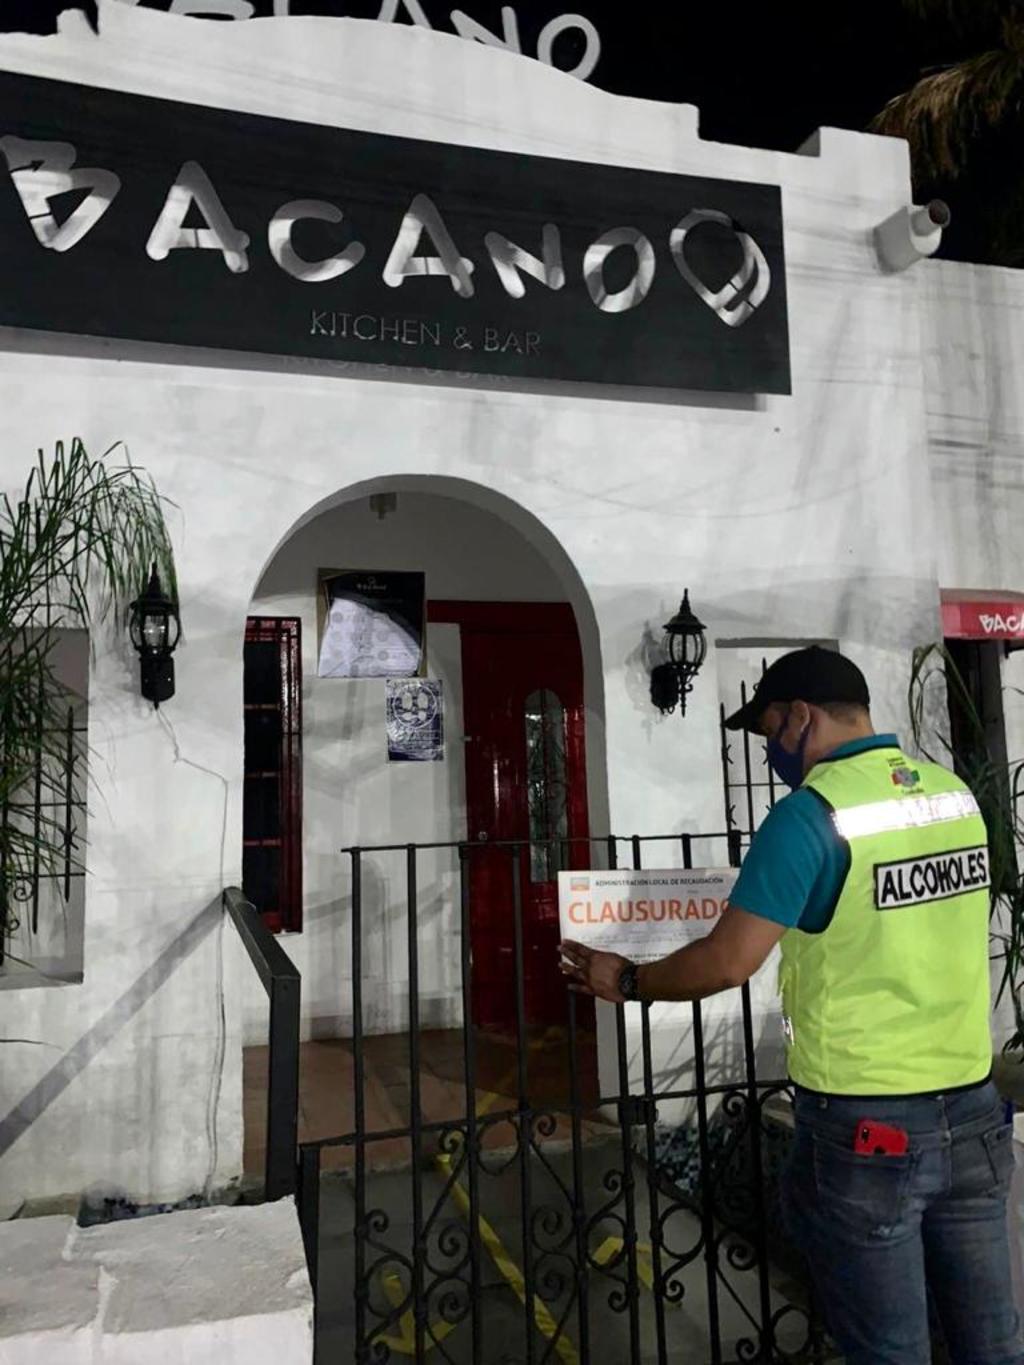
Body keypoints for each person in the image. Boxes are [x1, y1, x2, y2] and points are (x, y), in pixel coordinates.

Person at [559, 646, 1022, 1364]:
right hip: (973, 1110)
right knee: (993, 1343)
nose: (771, 748)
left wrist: (626, 980)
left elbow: (728, 960)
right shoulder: (954, 796)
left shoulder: (811, 817)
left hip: (868, 1128)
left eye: (771, 729)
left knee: (889, 1350)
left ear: (801, 716)